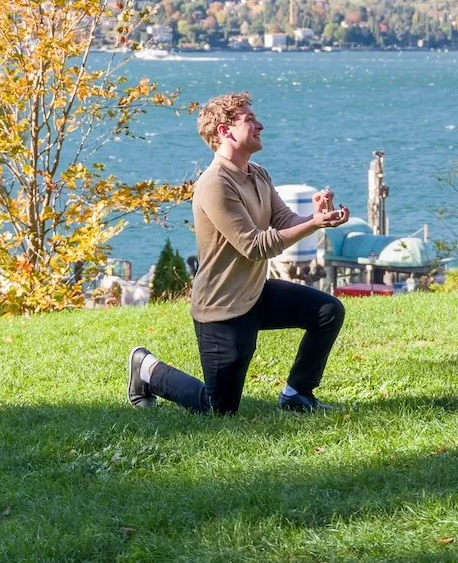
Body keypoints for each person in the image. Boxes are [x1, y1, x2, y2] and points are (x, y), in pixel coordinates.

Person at [127, 92, 351, 415]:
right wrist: (314, 224)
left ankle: (297, 393)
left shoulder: (257, 174)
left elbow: (284, 221)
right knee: (219, 408)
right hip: (222, 309)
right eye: (249, 120)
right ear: (224, 131)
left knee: (328, 312)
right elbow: (255, 246)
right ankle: (145, 368)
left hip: (256, 294)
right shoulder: (215, 184)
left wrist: (319, 219)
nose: (260, 125)